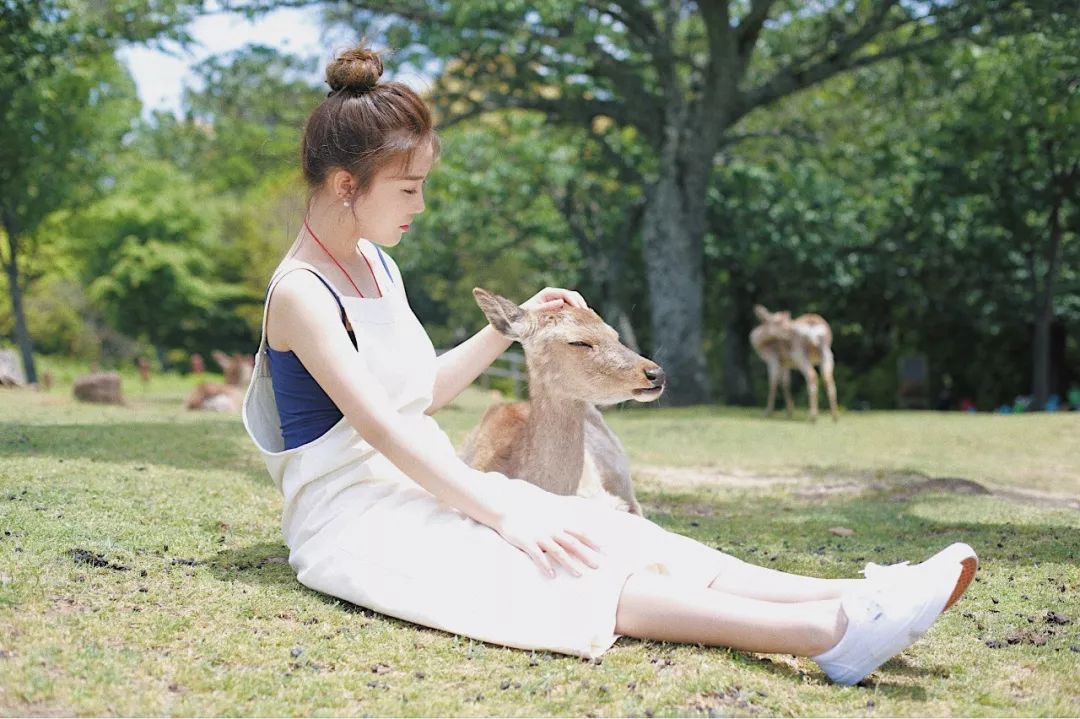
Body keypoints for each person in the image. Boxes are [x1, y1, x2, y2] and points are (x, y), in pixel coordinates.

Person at [241, 45, 978, 687]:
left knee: (621, 533)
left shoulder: (376, 264)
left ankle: (857, 590)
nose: (421, 206)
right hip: (357, 522)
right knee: (564, 565)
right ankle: (835, 632)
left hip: (427, 487)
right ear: (346, 185)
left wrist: (516, 323)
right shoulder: (302, 294)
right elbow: (385, 432)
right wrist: (499, 508)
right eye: (408, 189)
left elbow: (418, 396)